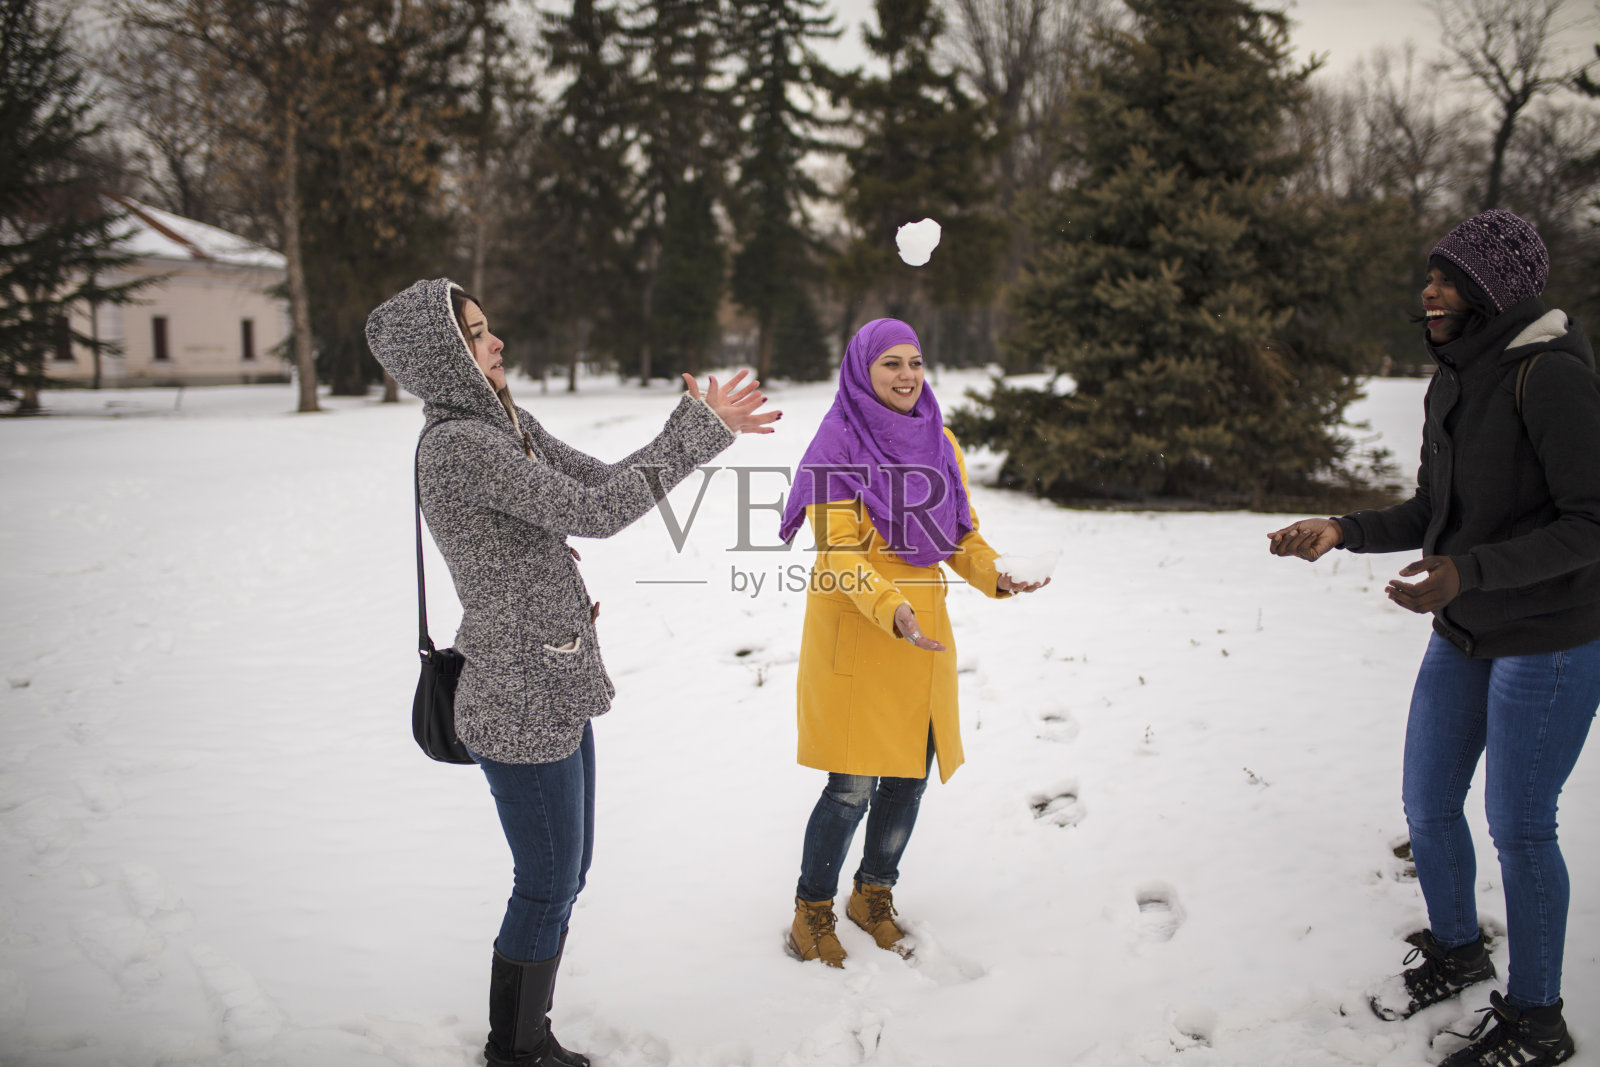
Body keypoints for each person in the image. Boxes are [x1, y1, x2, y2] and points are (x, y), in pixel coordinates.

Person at [365, 278, 779, 1067]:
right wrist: (693, 433)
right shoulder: (462, 446)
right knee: (547, 880)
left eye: (490, 329)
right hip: (517, 696)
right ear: (443, 359)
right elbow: (599, 515)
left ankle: (528, 1034)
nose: (496, 344)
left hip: (551, 681)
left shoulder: (505, 425)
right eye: (477, 336)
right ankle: (515, 1049)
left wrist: (689, 429)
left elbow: (598, 483)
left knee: (567, 870)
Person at [1268, 209, 1599, 1066]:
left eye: (1448, 279)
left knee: (1521, 825)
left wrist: (1468, 572)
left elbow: (1591, 523)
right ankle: (1457, 949)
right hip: (1465, 626)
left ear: (1493, 291)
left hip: (1552, 635)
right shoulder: (1455, 377)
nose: (1430, 292)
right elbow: (1433, 512)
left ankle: (1537, 1020)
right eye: (1431, 277)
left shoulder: (1551, 375)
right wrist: (1341, 527)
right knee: (1428, 798)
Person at [776, 317, 1049, 967]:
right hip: (860, 625)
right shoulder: (837, 445)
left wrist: (997, 573)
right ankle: (810, 912)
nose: (906, 375)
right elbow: (836, 554)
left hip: (923, 633)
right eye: (890, 363)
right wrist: (891, 607)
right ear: (862, 370)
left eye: (916, 362)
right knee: (851, 786)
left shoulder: (939, 440)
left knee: (908, 778)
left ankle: (873, 895)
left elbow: (960, 535)